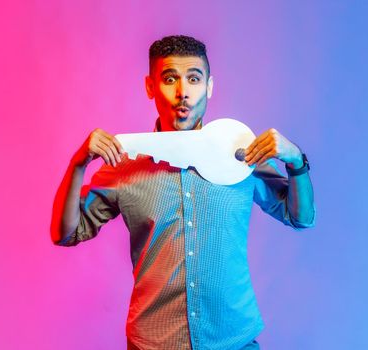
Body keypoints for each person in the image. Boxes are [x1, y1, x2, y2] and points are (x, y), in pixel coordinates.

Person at [51, 35, 315, 350]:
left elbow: (301, 218)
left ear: (209, 87)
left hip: (233, 341)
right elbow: (66, 234)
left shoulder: (242, 155)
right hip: (154, 343)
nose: (183, 93)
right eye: (169, 79)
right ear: (150, 87)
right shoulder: (124, 165)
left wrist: (297, 161)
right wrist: (78, 163)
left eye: (193, 79)